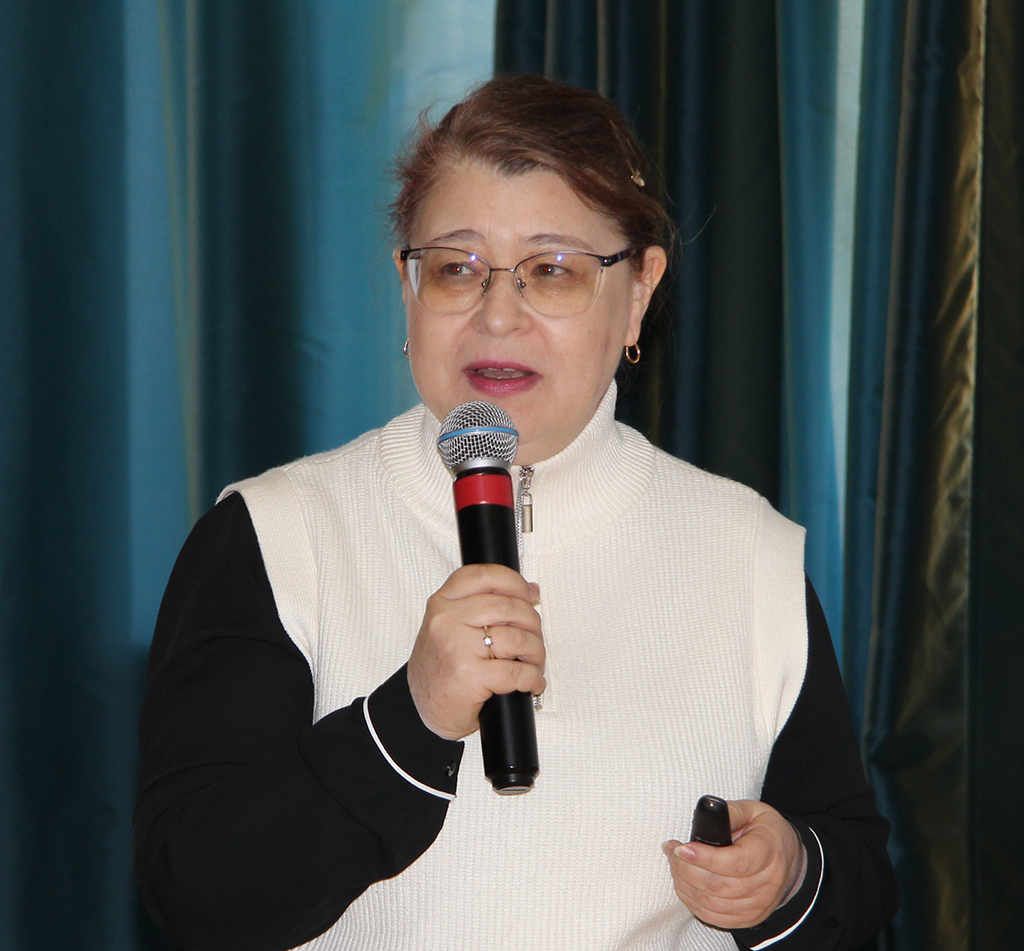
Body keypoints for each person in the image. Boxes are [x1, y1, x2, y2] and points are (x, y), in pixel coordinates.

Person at [133, 74, 898, 951]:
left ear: (639, 290)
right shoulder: (275, 535)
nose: (498, 316)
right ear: (406, 287)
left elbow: (858, 880)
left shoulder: (748, 552)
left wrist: (788, 873)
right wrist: (409, 718)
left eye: (553, 272)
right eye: (455, 269)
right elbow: (195, 892)